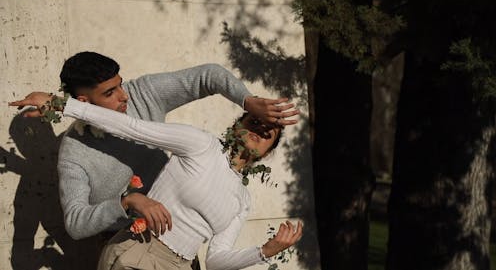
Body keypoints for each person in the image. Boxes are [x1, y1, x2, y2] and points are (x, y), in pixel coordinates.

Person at [8, 52, 299, 249]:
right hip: (129, 248)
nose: (125, 96)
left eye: (120, 84)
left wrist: (248, 101)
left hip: (179, 244)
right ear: (83, 102)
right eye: (110, 93)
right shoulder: (74, 154)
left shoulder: (143, 93)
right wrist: (127, 202)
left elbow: (207, 76)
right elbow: (75, 222)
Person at [60, 96, 303, 270]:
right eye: (256, 121)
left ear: (268, 151)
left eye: (268, 133)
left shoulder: (242, 198)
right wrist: (62, 105)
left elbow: (215, 261)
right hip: (142, 252)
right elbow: (132, 128)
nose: (260, 130)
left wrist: (264, 252)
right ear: (238, 124)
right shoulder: (202, 144)